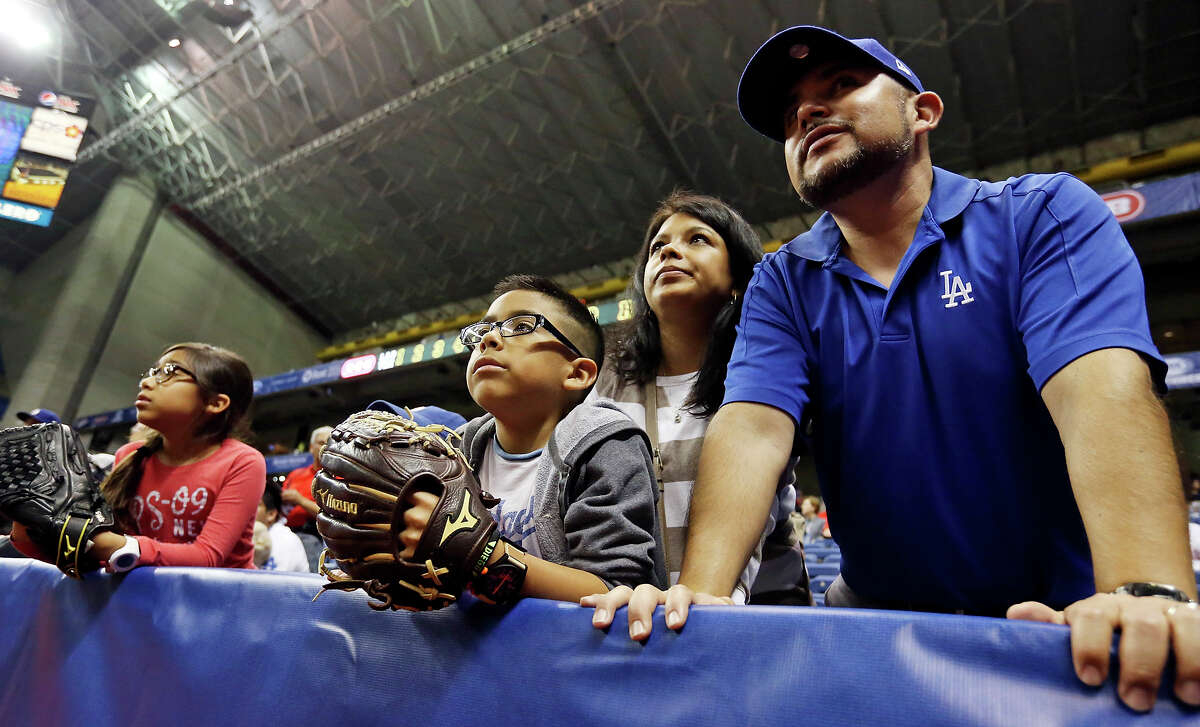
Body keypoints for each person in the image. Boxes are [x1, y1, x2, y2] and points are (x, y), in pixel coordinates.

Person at [585, 26, 1197, 713]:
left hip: (1058, 615)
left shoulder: (1040, 213)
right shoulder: (784, 281)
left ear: (923, 111)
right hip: (875, 618)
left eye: (841, 86)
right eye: (791, 116)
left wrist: (1144, 589)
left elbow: (1099, 386)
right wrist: (702, 591)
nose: (808, 113)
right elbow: (753, 425)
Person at [582, 190, 806, 607]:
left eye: (697, 239)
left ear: (739, 280)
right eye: (658, 247)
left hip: (751, 616)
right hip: (625, 609)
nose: (670, 252)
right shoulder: (603, 381)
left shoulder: (767, 372)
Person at [398, 274, 666, 604]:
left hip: (571, 650)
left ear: (577, 373)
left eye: (521, 325)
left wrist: (481, 553)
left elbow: (616, 590)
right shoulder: (456, 452)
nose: (489, 340)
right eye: (483, 331)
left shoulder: (605, 444)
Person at [12, 343, 265, 570]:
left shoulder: (241, 461)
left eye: (169, 373)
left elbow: (208, 556)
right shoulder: (131, 456)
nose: (146, 382)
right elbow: (101, 559)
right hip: (147, 602)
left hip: (221, 606)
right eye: (153, 372)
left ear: (215, 403)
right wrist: (29, 527)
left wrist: (118, 545)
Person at [280, 426, 332, 532]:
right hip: (286, 529)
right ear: (311, 448)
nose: (325, 447)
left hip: (317, 533)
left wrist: (300, 500)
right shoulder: (295, 474)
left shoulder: (338, 478)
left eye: (329, 443)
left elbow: (333, 516)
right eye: (321, 443)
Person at [256, 480, 310, 572]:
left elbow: (272, 584)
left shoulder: (286, 539)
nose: (247, 508)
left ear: (271, 514)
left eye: (256, 504)